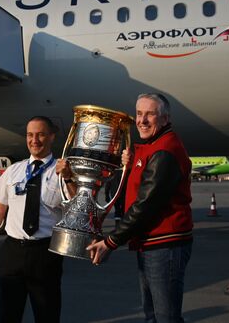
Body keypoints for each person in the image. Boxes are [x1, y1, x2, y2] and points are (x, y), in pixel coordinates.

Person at [87, 93, 193, 323]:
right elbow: (132, 194)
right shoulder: (151, 146)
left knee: (165, 317)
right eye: (139, 114)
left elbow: (145, 205)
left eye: (150, 114)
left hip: (164, 245)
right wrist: (131, 163)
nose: (142, 120)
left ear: (165, 119)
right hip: (150, 243)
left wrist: (111, 242)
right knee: (152, 315)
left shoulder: (165, 150)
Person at [0, 115, 74, 323]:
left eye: (40, 134)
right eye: (30, 135)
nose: (34, 140)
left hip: (45, 252)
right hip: (13, 252)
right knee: (8, 315)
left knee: (47, 314)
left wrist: (67, 177)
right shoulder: (14, 170)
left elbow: (75, 207)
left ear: (51, 137)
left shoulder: (62, 171)